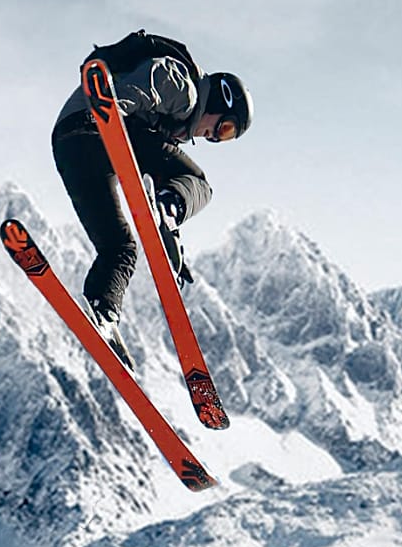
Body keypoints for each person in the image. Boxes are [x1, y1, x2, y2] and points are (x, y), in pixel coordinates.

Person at [51, 32, 253, 368]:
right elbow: (145, 84)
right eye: (225, 128)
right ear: (221, 100)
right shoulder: (184, 87)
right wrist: (110, 113)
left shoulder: (173, 120)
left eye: (225, 138)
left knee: (120, 247)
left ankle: (103, 311)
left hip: (70, 146)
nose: (214, 137)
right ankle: (170, 206)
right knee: (198, 182)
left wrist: (170, 244)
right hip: (99, 123)